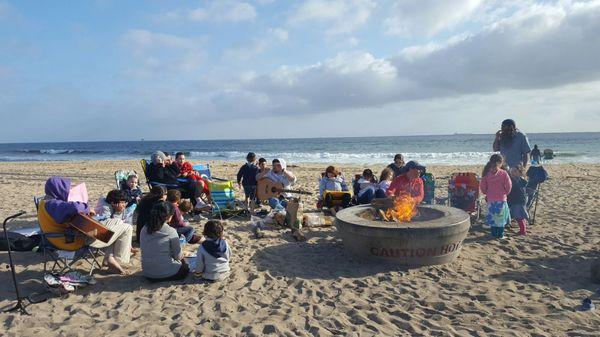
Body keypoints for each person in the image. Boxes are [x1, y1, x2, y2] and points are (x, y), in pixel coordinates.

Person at [44, 177, 132, 274]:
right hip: (73, 239)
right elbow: (77, 207)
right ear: (58, 189)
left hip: (75, 232)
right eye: (66, 189)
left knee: (117, 222)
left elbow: (71, 210)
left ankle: (109, 259)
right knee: (127, 228)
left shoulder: (47, 202)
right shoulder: (53, 204)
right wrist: (85, 206)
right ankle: (117, 261)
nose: (68, 191)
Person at [140, 202, 189, 282]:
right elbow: (178, 256)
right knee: (186, 265)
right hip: (167, 274)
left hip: (147, 273)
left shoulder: (144, 229)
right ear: (168, 216)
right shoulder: (170, 231)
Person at [480, 154, 512, 238]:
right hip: (501, 199)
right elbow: (509, 185)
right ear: (501, 163)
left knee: (493, 219)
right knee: (501, 219)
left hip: (491, 199)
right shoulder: (503, 173)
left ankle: (494, 234)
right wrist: (506, 193)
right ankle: (500, 235)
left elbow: (482, 186)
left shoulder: (486, 173)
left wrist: (486, 192)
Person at [508, 165, 529, 236]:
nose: (513, 173)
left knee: (519, 216)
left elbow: (516, 190)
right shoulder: (520, 180)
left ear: (519, 172)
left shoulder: (517, 180)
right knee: (520, 215)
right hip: (520, 199)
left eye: (515, 171)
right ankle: (523, 229)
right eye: (511, 172)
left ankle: (523, 230)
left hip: (518, 200)